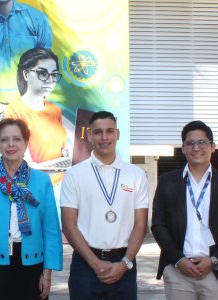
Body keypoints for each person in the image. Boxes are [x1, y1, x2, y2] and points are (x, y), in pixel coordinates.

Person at [0, 118, 63, 300]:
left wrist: (47, 273)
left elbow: (51, 231)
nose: (11, 144)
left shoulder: (42, 182)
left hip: (31, 264)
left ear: (26, 143)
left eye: (17, 139)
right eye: (4, 140)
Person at [151, 120, 218, 300]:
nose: (196, 148)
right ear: (183, 148)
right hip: (178, 271)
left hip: (216, 273)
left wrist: (214, 260)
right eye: (190, 143)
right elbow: (158, 225)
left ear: (213, 147)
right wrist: (179, 260)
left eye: (202, 142)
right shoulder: (167, 181)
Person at [60, 111, 149, 300]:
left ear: (117, 134)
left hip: (124, 263)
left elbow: (140, 224)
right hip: (85, 264)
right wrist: (94, 263)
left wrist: (125, 263)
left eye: (109, 131)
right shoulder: (75, 174)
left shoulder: (136, 174)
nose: (104, 137)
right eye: (98, 132)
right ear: (90, 135)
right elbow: (69, 225)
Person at [3, 48, 68, 166]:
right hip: (36, 183)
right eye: (42, 74)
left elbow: (59, 148)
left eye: (54, 75)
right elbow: (22, 162)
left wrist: (66, 154)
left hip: (62, 181)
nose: (50, 80)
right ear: (26, 74)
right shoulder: (14, 112)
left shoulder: (55, 110)